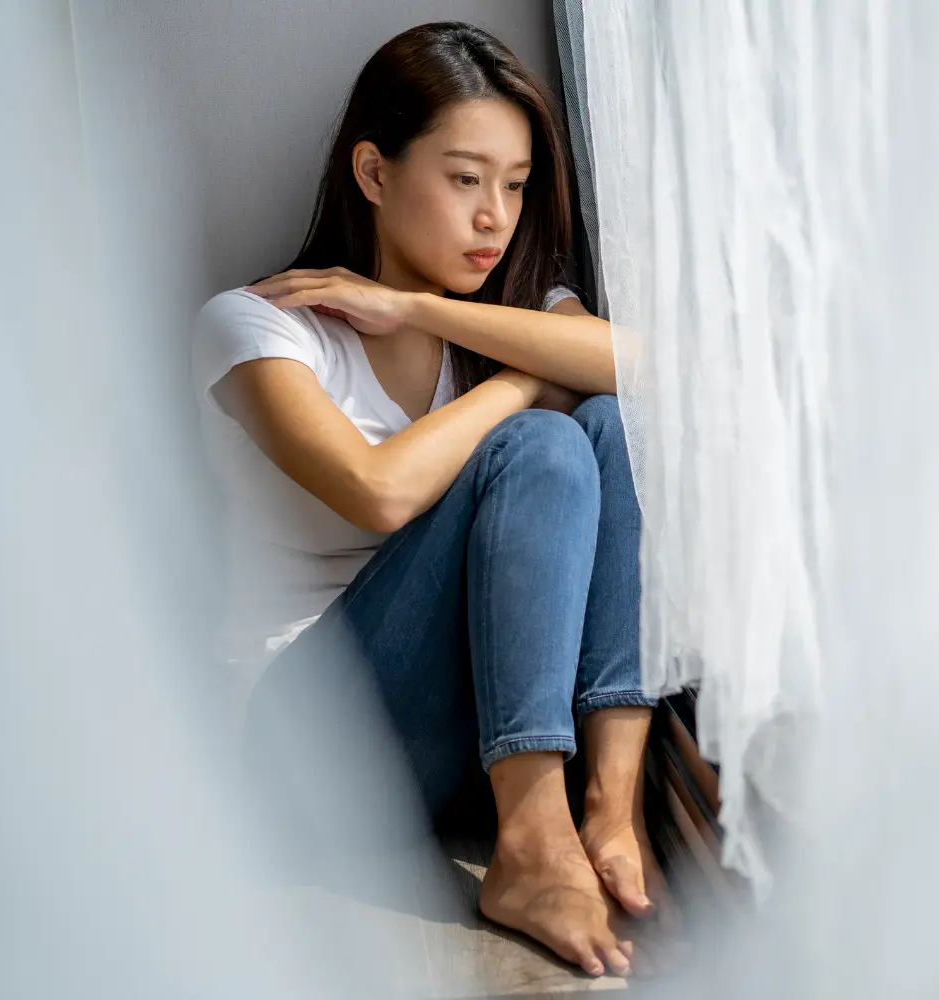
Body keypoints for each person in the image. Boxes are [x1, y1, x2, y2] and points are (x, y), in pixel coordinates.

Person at [191, 21, 664, 978]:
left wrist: (422, 310)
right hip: (306, 749)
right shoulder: (258, 326)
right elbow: (377, 491)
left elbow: (646, 371)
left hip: (459, 740)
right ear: (374, 171)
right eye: (464, 179)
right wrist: (523, 383)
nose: (496, 217)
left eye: (516, 184)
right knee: (538, 440)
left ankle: (611, 808)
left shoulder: (502, 310)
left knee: (618, 425)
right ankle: (531, 844)